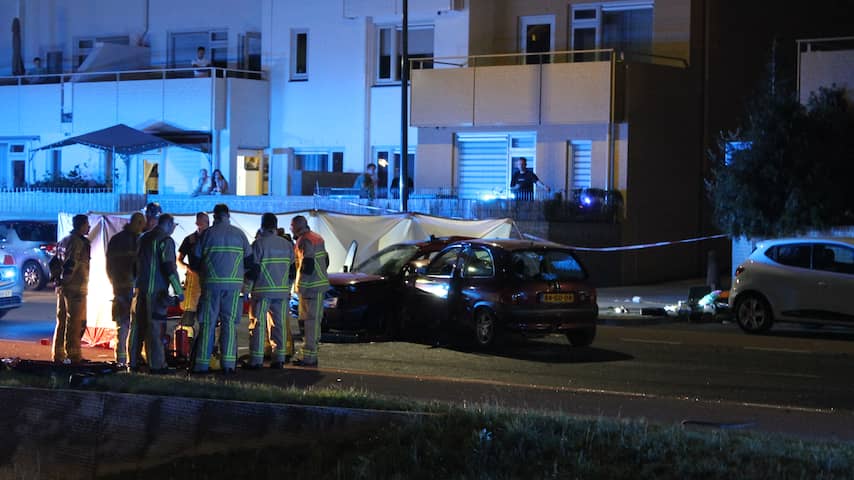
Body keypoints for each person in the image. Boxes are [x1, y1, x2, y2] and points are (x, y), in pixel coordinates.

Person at [191, 204, 253, 373]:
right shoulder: (239, 234)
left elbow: (194, 261)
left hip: (211, 285)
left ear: (215, 216)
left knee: (208, 324)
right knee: (229, 324)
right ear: (228, 215)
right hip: (233, 287)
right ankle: (229, 365)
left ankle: (202, 365)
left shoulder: (207, 234)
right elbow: (250, 263)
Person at [129, 214, 184, 374]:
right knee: (155, 329)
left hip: (139, 291)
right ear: (168, 225)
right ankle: (157, 365)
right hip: (156, 293)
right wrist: (179, 292)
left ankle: (132, 362)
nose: (174, 229)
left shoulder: (143, 239)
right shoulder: (165, 241)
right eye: (174, 225)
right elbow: (169, 268)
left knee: (137, 327)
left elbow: (133, 266)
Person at [244, 213, 295, 369]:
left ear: (262, 226)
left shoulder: (258, 244)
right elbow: (292, 270)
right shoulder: (287, 245)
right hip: (281, 292)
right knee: (278, 325)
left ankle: (256, 360)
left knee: (258, 325)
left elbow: (253, 270)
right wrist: (287, 286)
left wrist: (246, 289)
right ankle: (279, 358)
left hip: (262, 292)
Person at [105, 212, 146, 366]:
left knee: (122, 325)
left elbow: (108, 266)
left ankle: (120, 359)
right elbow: (139, 266)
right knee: (135, 324)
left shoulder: (116, 239)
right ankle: (133, 359)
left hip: (118, 288)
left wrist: (114, 282)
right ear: (139, 223)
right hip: (134, 289)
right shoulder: (139, 240)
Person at [290, 214, 329, 367]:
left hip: (310, 288)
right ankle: (312, 354)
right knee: (315, 323)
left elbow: (307, 265)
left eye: (292, 227)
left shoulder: (304, 241)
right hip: (320, 285)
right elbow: (325, 260)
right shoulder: (317, 238)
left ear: (297, 227)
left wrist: (300, 288)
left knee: (309, 323)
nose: (291, 230)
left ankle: (309, 358)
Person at [52, 214, 91, 364]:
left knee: (61, 321)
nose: (88, 227)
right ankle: (74, 356)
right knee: (75, 323)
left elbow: (54, 263)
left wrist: (59, 282)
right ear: (81, 225)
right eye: (87, 224)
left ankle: (58, 354)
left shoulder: (63, 241)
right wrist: (66, 282)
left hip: (63, 288)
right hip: (75, 289)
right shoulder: (77, 243)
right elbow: (71, 264)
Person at [177, 212, 210, 332]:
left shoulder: (212, 239)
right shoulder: (190, 239)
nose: (207, 225)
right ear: (197, 223)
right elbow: (179, 259)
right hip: (193, 280)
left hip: (209, 278)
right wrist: (187, 268)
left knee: (207, 315)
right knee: (189, 313)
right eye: (204, 222)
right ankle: (185, 340)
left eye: (207, 222)